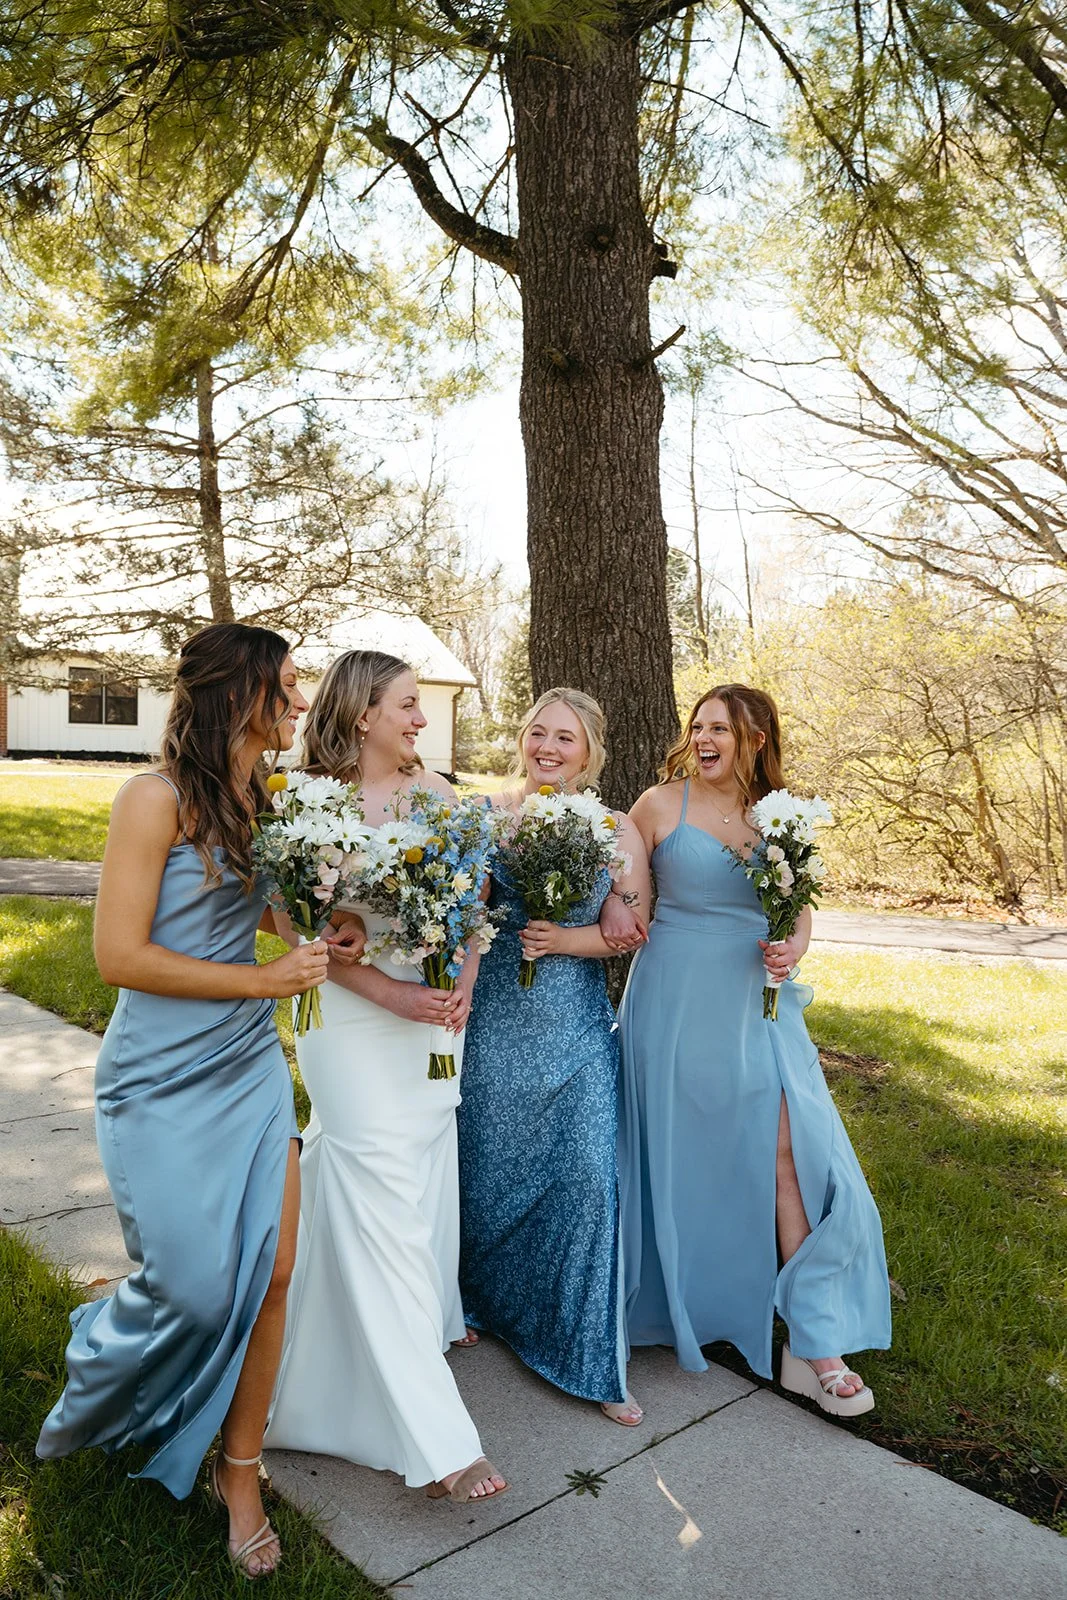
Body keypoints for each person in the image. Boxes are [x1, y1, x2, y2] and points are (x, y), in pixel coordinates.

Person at [36, 622, 330, 1578]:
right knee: (195, 1290)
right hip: (160, 1072)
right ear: (236, 692)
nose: (297, 702)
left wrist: (343, 927)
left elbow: (286, 924)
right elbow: (119, 957)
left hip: (247, 1067)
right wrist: (267, 980)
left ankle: (238, 1475)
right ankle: (101, 1354)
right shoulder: (150, 798)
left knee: (276, 1273)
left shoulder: (272, 802)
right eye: (284, 686)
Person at [265, 650, 507, 1502]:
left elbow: (475, 909)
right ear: (363, 712)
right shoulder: (307, 804)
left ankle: (319, 1357)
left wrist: (458, 987)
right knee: (378, 1190)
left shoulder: (439, 795)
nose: (419, 718)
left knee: (410, 1187)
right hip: (353, 1020)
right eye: (406, 705)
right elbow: (296, 932)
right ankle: (435, 1439)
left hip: (432, 1023)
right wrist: (391, 993)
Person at [617, 684, 891, 1415]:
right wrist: (609, 890)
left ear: (756, 739)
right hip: (673, 1000)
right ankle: (677, 1302)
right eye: (698, 725)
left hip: (755, 1002)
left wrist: (789, 949)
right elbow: (628, 913)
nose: (704, 738)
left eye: (721, 728)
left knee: (787, 1152)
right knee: (678, 1150)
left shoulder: (782, 817)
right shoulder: (655, 805)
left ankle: (809, 1341)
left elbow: (799, 916)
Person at [458, 688, 650, 1424]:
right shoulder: (488, 816)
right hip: (496, 1019)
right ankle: (480, 1302)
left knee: (584, 1184)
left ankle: (590, 1358)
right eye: (538, 732)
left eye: (564, 738)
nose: (547, 747)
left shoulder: (615, 828)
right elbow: (467, 916)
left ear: (589, 751)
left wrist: (568, 937)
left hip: (573, 1028)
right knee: (487, 1172)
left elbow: (627, 928)